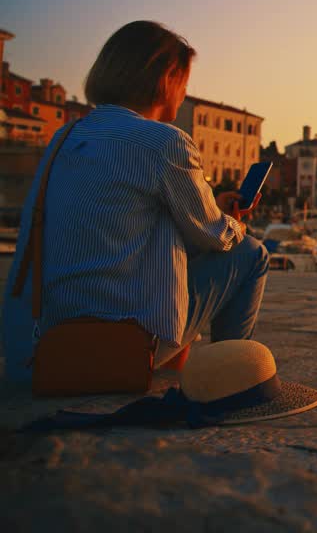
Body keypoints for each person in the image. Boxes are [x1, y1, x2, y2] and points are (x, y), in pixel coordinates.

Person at [3, 21, 269, 382]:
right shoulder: (164, 142)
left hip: (41, 343)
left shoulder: (65, 136)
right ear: (166, 79)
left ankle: (182, 366)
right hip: (114, 344)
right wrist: (235, 222)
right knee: (250, 253)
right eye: (184, 81)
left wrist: (211, 208)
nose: (186, 91)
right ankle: (233, 379)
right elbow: (214, 236)